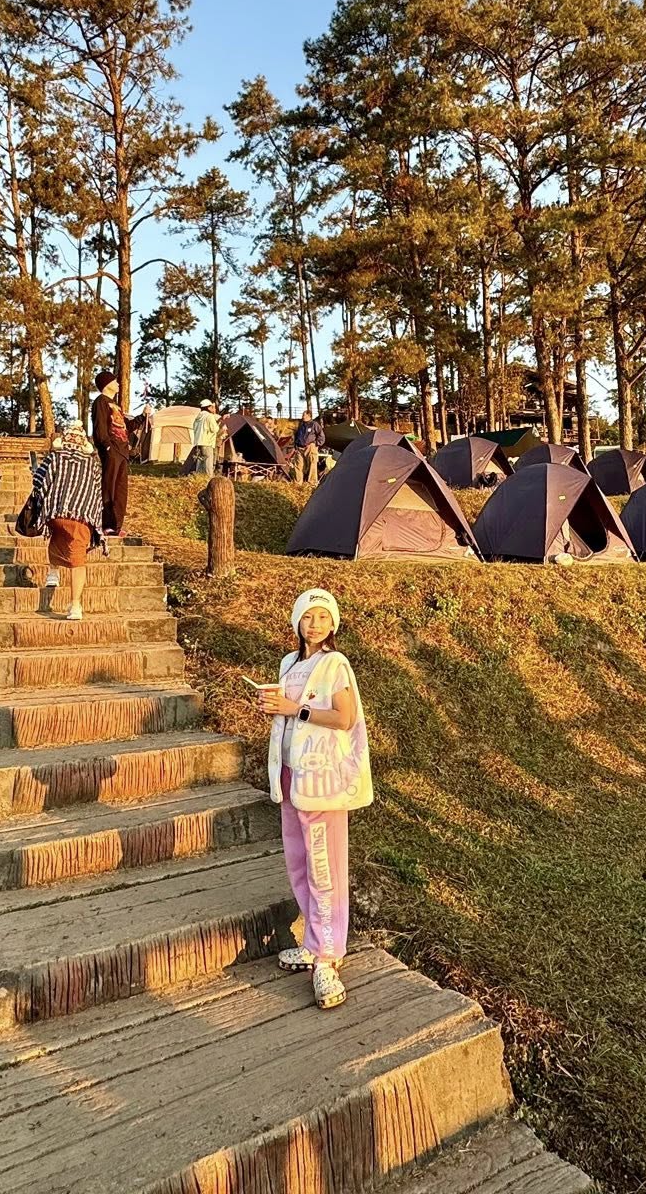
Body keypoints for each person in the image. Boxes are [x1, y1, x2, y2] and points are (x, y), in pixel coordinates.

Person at [253, 587, 371, 1011]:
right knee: (299, 863)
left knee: (325, 868)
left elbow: (344, 717)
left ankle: (327, 957)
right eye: (308, 616)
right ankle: (313, 942)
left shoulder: (335, 664)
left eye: (323, 616)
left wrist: (294, 709)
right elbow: (287, 713)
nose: (315, 624)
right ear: (296, 622)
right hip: (290, 775)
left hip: (321, 780)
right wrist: (274, 706)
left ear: (333, 623)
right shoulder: (289, 662)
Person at [18, 425, 104, 621]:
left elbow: (39, 481)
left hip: (55, 513)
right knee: (78, 560)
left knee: (57, 535)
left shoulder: (54, 457)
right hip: (81, 514)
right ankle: (75, 605)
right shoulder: (92, 463)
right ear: (83, 443)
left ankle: (53, 573)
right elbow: (98, 489)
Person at [90, 370, 131, 535]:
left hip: (122, 452)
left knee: (120, 491)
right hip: (112, 450)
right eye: (115, 381)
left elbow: (126, 427)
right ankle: (106, 524)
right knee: (109, 488)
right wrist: (107, 446)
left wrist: (143, 417)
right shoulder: (101, 402)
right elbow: (99, 426)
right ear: (107, 384)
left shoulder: (116, 406)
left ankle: (116, 526)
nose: (118, 384)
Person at [185, 400, 218, 475]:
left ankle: (198, 476)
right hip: (207, 443)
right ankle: (208, 477)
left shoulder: (198, 417)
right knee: (208, 463)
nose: (213, 408)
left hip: (198, 443)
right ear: (208, 407)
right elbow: (214, 429)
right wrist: (218, 425)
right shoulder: (209, 416)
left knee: (199, 462)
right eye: (211, 407)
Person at [293, 408, 322, 486]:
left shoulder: (314, 424)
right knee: (298, 465)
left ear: (309, 416)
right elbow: (296, 436)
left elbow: (321, 435)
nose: (302, 416)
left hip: (310, 447)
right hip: (299, 448)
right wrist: (295, 446)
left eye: (304, 415)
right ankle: (298, 483)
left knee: (312, 464)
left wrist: (316, 444)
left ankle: (312, 483)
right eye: (303, 415)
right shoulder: (301, 425)